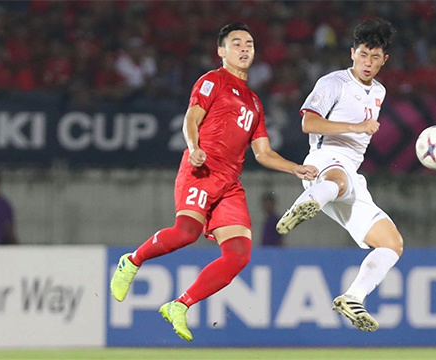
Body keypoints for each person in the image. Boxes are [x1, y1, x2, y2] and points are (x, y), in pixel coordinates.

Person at [110, 23, 318, 342]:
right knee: (185, 233)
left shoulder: (255, 102)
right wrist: (194, 148)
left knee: (239, 255)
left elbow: (262, 153)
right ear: (222, 51)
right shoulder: (213, 81)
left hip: (229, 185)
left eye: (249, 43)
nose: (245, 48)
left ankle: (180, 305)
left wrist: (296, 169)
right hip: (202, 169)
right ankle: (132, 261)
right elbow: (192, 118)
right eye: (236, 44)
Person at [276, 18, 403, 332]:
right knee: (339, 180)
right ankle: (302, 205)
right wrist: (356, 127)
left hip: (350, 176)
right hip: (323, 161)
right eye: (362, 55)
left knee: (392, 244)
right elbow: (309, 123)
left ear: (384, 60)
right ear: (352, 53)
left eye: (374, 57)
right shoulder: (333, 82)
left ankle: (352, 297)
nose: (367, 63)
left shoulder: (380, 91)